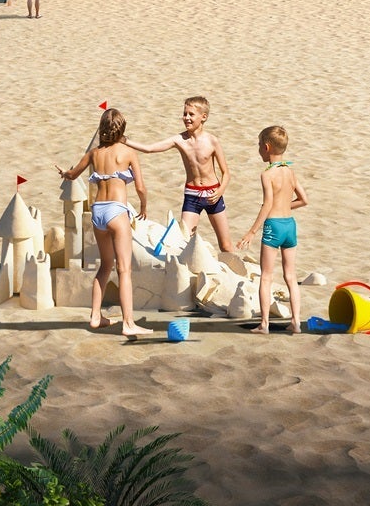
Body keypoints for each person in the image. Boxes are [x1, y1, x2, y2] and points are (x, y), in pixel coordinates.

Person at [57, 108, 153, 336]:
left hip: (98, 211)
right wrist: (143, 205)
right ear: (123, 129)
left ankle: (95, 316)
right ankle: (128, 322)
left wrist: (64, 173)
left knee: (105, 266)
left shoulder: (94, 154)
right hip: (117, 211)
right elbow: (140, 186)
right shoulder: (128, 153)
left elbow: (73, 174)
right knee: (124, 269)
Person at [126, 96, 234, 252]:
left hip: (213, 194)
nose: (187, 118)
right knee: (183, 242)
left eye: (191, 114)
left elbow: (226, 173)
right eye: (185, 114)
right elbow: (149, 148)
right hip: (192, 195)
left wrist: (220, 191)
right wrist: (124, 140)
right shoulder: (179, 140)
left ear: (203, 117)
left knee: (225, 245)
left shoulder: (212, 141)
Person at [239, 125, 308, 334]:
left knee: (266, 276)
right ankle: (296, 322)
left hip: (273, 226)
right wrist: (286, 205)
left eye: (259, 145)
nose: (259, 149)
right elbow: (304, 200)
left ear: (267, 147)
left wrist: (252, 231)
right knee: (290, 275)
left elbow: (267, 204)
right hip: (290, 225)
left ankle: (264, 324)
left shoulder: (267, 175)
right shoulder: (290, 171)